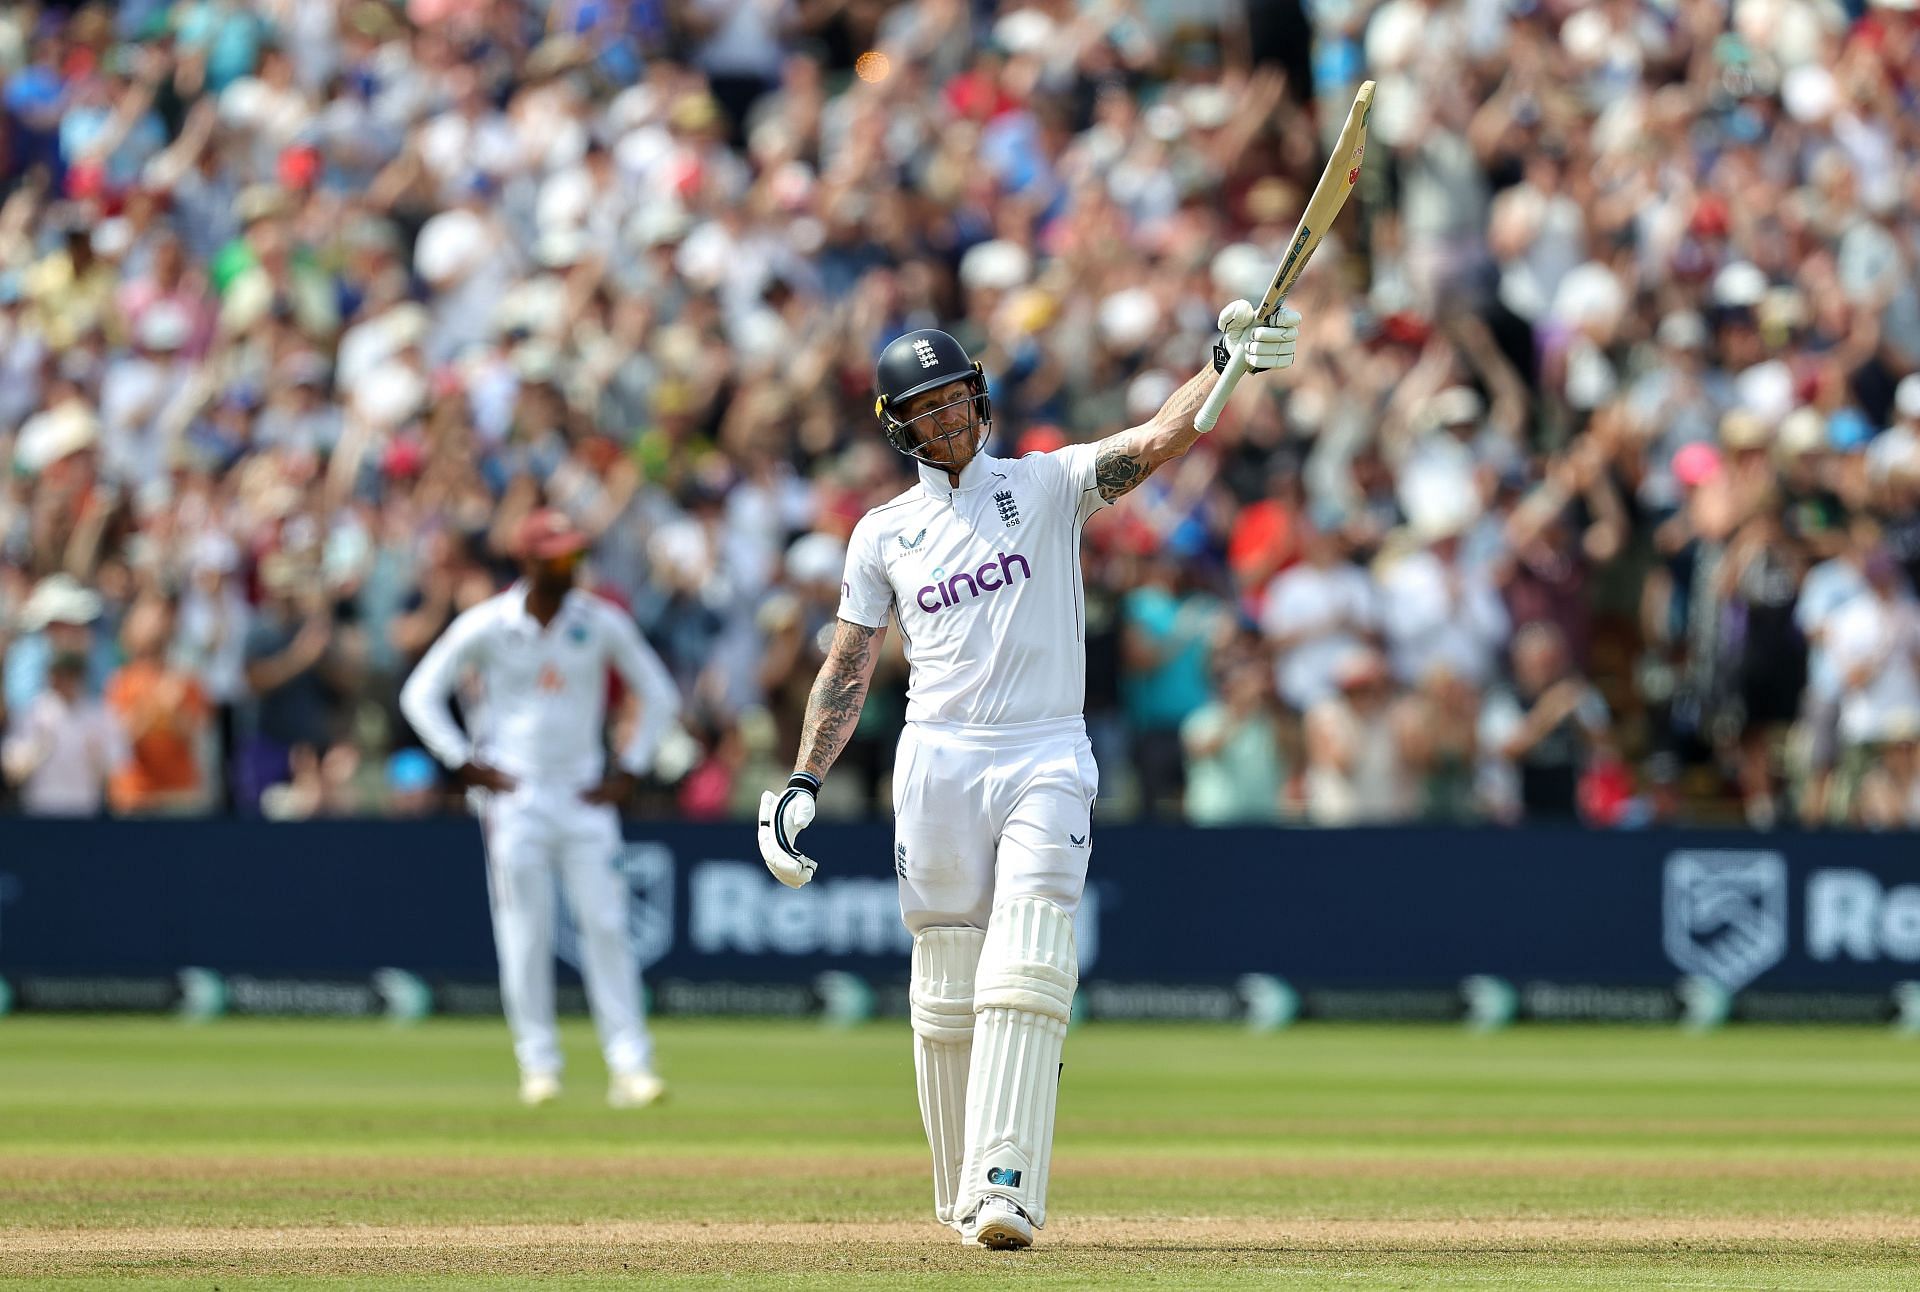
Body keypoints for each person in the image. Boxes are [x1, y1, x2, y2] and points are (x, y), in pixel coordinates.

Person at [757, 300, 1300, 1248]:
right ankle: (961, 1192)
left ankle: (1006, 1185)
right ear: (897, 427)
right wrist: (803, 779)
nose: (948, 420)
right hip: (936, 758)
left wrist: (1225, 365)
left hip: (1047, 748)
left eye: (957, 398)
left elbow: (1162, 437)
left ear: (981, 397)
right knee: (947, 980)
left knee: (1030, 955)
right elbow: (846, 668)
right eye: (925, 409)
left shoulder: (1048, 484)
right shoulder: (882, 535)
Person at [400, 509, 682, 1110]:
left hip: (583, 795)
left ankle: (631, 1066)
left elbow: (658, 693)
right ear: (528, 562)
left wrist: (629, 767)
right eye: (557, 557)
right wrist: (461, 760)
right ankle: (539, 1065)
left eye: (574, 555)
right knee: (525, 933)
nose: (571, 566)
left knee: (607, 926)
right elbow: (420, 692)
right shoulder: (488, 625)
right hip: (515, 798)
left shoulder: (599, 620)